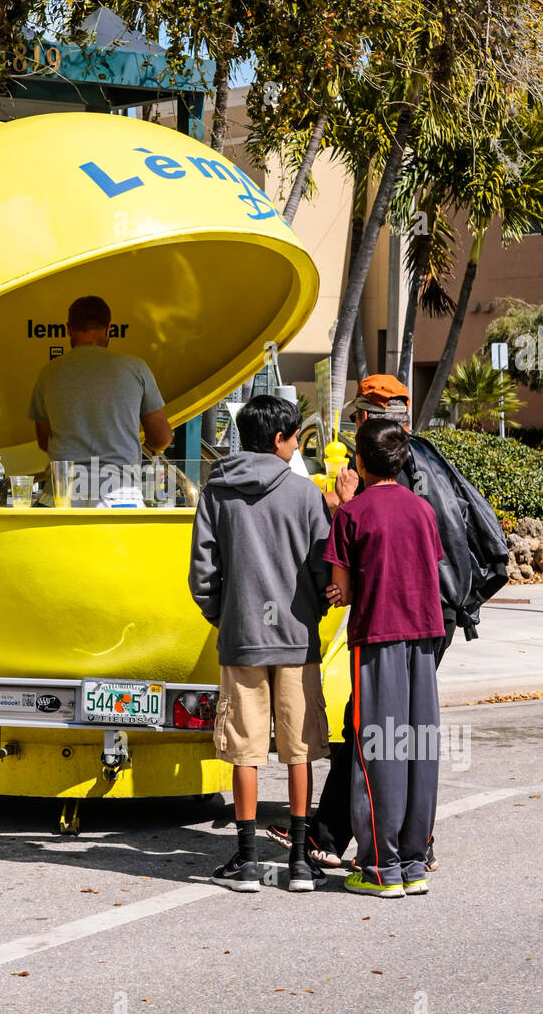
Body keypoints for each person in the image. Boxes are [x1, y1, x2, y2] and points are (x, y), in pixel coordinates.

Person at [299, 374, 508, 872]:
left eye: (357, 417)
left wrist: (346, 505)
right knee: (407, 731)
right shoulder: (430, 456)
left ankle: (343, 841)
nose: (354, 425)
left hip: (392, 619)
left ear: (369, 418)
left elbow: (374, 542)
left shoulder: (385, 470)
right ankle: (409, 844)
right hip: (436, 613)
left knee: (371, 726)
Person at [188, 394, 333, 894]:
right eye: (294, 438)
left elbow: (202, 573)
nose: (296, 448)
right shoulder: (306, 496)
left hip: (242, 638)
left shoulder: (216, 491)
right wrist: (316, 611)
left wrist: (225, 615)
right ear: (278, 439)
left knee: (244, 752)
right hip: (296, 639)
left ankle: (246, 860)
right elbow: (322, 571)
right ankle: (298, 862)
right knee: (299, 752)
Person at [324, 419, 445, 896]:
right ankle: (414, 862)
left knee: (378, 752)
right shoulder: (422, 510)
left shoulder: (352, 515)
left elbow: (342, 590)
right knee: (418, 749)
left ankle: (379, 869)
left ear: (360, 461)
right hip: (424, 638)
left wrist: (341, 505)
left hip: (377, 639)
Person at [27, 295, 172, 507]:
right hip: (120, 496)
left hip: (61, 496)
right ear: (108, 328)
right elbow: (161, 438)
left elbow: (44, 441)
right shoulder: (136, 369)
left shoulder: (49, 373)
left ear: (68, 328)